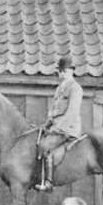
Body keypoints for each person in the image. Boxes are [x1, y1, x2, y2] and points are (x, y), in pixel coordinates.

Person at [34, 55, 83, 193]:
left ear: (72, 71)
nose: (62, 74)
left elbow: (72, 113)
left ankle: (48, 183)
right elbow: (54, 110)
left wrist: (57, 128)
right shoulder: (59, 88)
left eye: (65, 71)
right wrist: (47, 124)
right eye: (60, 72)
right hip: (56, 127)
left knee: (45, 145)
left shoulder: (75, 88)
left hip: (68, 128)